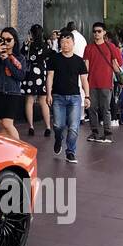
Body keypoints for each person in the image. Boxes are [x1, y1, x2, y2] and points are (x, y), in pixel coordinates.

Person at [46, 31, 89, 163]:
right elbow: (50, 77)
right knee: (58, 125)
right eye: (63, 42)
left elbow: (84, 80)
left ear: (73, 43)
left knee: (74, 127)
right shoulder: (54, 59)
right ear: (60, 43)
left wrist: (87, 96)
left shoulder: (79, 61)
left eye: (68, 42)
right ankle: (58, 139)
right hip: (58, 96)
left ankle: (70, 151)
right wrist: (49, 94)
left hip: (75, 98)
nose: (65, 45)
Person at [84, 21, 123, 143]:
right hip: (91, 83)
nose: (96, 34)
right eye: (94, 31)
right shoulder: (89, 48)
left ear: (104, 32)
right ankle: (94, 132)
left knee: (105, 108)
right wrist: (84, 82)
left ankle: (108, 134)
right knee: (92, 109)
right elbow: (86, 66)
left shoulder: (110, 47)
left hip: (106, 83)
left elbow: (119, 63)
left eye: (99, 31)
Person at [0, 27, 25, 140]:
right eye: (2, 39)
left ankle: (21, 150)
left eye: (9, 39)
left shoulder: (20, 58)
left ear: (15, 41)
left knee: (7, 123)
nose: (6, 42)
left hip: (12, 93)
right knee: (1, 124)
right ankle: (5, 151)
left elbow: (20, 76)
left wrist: (6, 61)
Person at [21, 24, 52, 137]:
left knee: (29, 101)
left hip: (30, 73)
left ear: (31, 33)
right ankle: (48, 127)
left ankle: (31, 126)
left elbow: (22, 55)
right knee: (43, 101)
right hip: (41, 73)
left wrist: (27, 42)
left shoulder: (28, 45)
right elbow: (49, 58)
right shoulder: (46, 45)